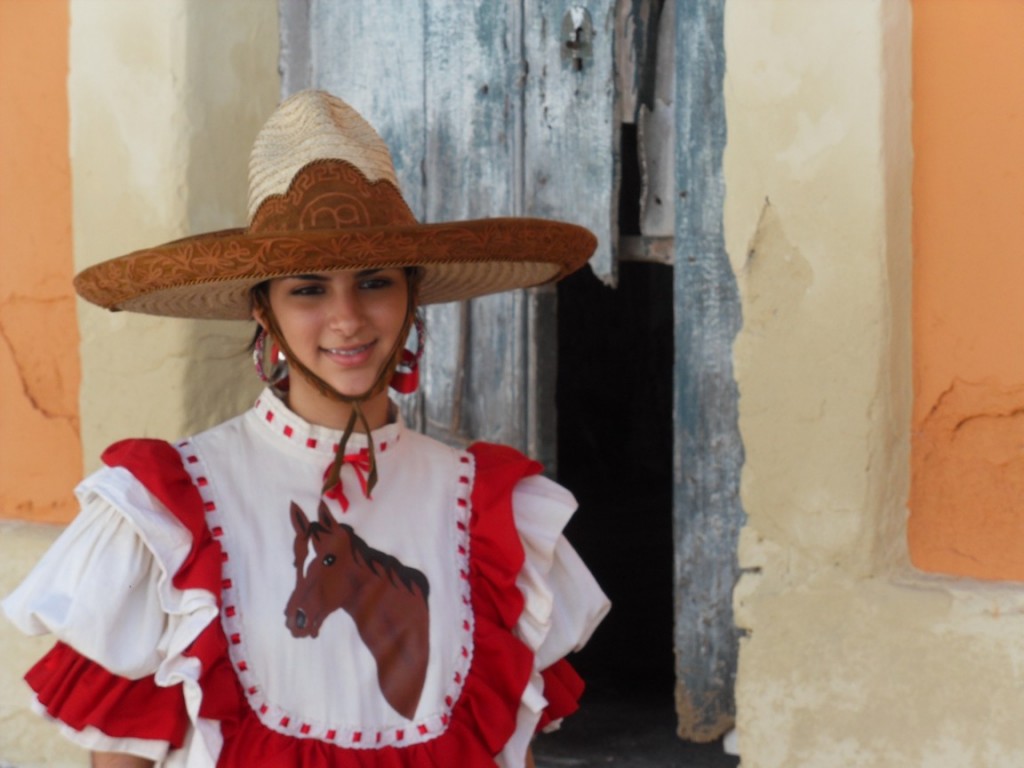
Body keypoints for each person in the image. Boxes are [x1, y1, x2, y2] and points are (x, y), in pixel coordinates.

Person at [2, 90, 609, 767]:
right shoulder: (172, 510)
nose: (348, 318)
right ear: (263, 310)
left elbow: (506, 748)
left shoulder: (489, 510)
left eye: (374, 282)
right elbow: (122, 756)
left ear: (411, 295)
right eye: (309, 289)